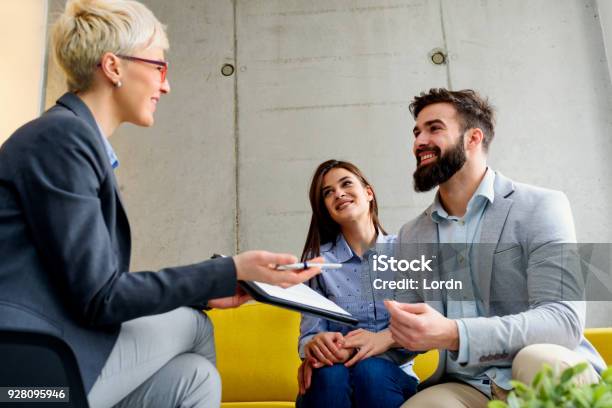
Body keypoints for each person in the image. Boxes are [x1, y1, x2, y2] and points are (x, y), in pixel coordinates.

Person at [0, 1, 321, 407]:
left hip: (51, 355)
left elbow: (92, 288)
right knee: (194, 327)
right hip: (29, 374)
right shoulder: (62, 139)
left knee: (195, 378)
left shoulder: (68, 140)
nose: (165, 86)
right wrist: (229, 270)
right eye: (159, 67)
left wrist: (214, 287)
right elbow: (101, 298)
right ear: (114, 67)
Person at [384, 88, 606, 407]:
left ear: (473, 138)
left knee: (539, 360)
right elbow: (407, 331)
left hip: (538, 369)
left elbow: (563, 320)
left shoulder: (541, 206)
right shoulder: (412, 234)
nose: (419, 141)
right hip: (466, 384)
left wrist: (454, 333)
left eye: (434, 128)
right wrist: (348, 346)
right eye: (417, 132)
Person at [296, 160, 419, 408]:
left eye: (346, 184)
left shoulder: (407, 251)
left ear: (368, 193)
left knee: (371, 371)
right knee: (330, 375)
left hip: (390, 378)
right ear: (326, 209)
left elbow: (428, 328)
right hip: (334, 378)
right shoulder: (318, 262)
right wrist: (315, 345)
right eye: (328, 193)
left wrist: (379, 341)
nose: (338, 194)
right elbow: (308, 337)